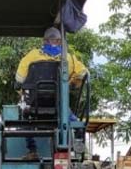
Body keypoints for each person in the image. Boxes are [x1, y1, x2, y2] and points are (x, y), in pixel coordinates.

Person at [16, 27, 88, 159]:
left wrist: (22, 89)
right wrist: (71, 82)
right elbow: (84, 74)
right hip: (60, 106)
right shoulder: (69, 58)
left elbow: (19, 79)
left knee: (24, 119)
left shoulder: (31, 56)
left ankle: (32, 151)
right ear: (60, 41)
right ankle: (77, 150)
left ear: (44, 41)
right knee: (78, 124)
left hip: (34, 105)